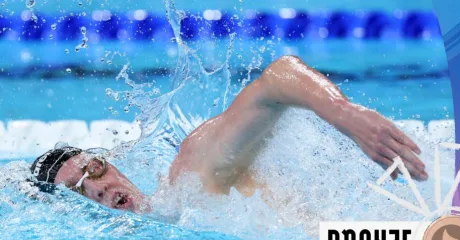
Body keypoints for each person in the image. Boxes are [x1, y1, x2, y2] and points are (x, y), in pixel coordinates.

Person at [30, 56, 428, 214]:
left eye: (94, 170)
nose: (97, 188)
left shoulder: (191, 180)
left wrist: (345, 114)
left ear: (110, 164)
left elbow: (276, 79)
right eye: (77, 192)